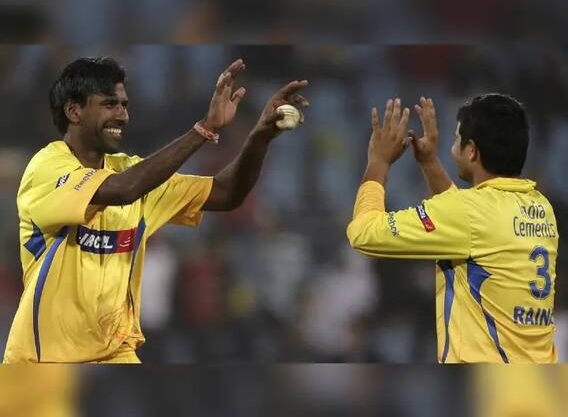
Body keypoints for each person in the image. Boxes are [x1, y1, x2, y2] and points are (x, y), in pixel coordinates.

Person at [3, 57, 309, 363]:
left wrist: (259, 137)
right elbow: (124, 189)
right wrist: (204, 129)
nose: (122, 115)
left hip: (117, 355)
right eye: (109, 104)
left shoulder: (136, 173)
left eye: (124, 105)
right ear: (74, 111)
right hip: (47, 361)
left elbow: (227, 193)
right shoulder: (46, 169)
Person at [347, 95, 558, 363]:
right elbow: (464, 224)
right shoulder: (541, 206)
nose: (452, 146)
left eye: (457, 138)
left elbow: (364, 233)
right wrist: (429, 162)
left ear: (471, 151)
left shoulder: (469, 212)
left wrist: (378, 162)